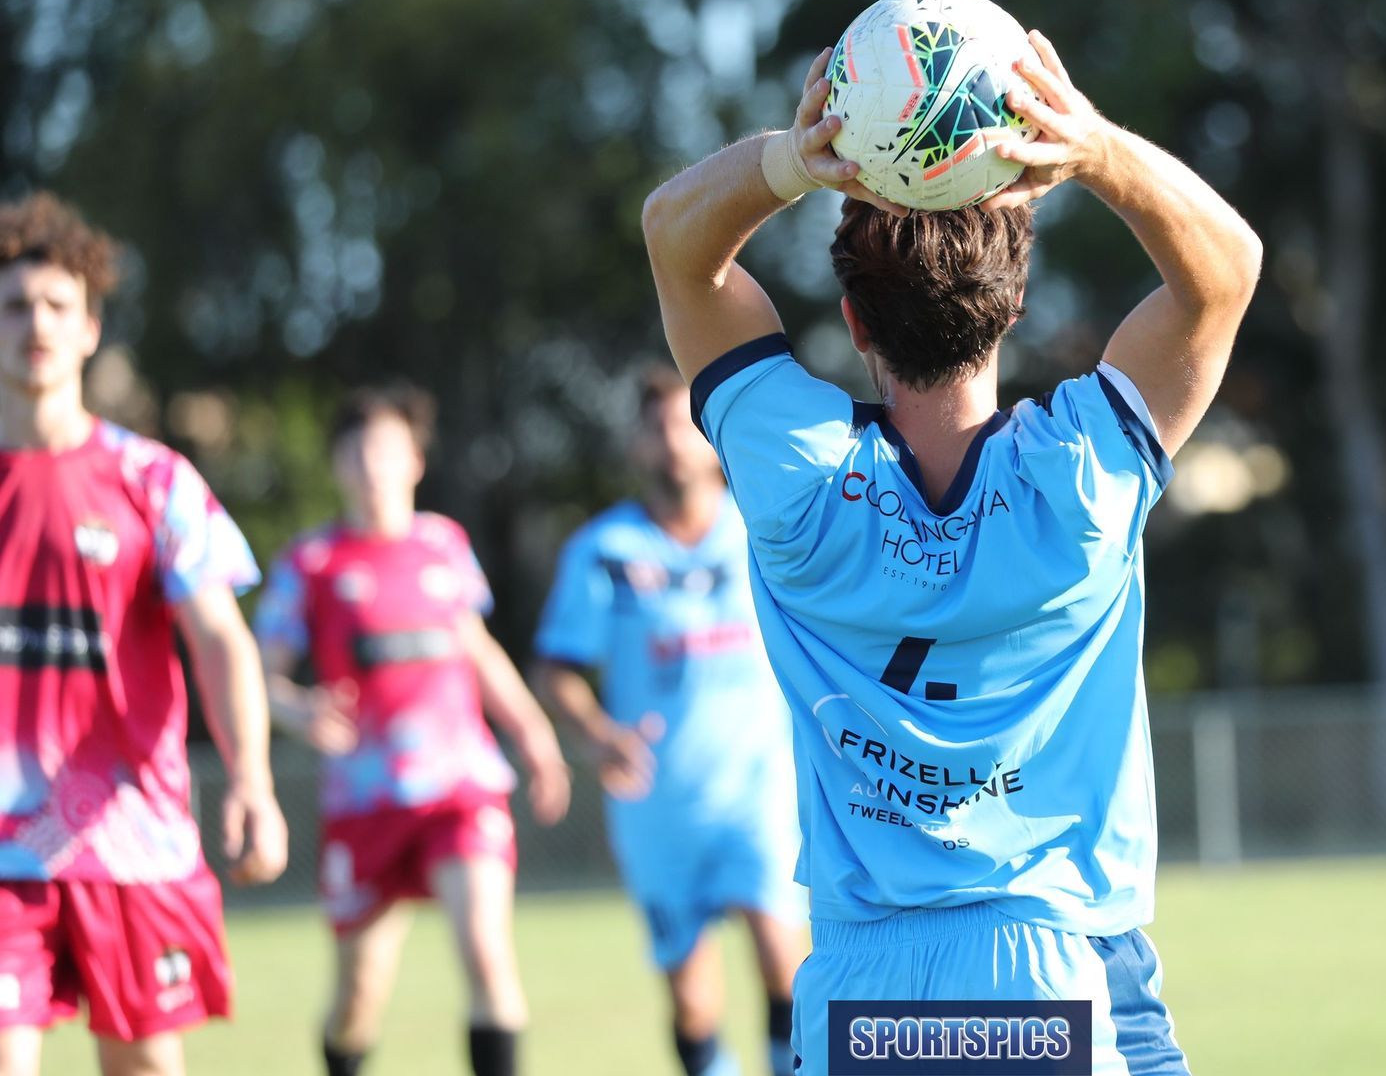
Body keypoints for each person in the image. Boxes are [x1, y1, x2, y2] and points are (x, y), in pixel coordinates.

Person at [641, 25, 1261, 1072]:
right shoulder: (1077, 481)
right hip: (1053, 964)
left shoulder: (795, 474)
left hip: (849, 993)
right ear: (1014, 303)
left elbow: (674, 236)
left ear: (854, 319)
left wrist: (795, 160)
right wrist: (1093, 148)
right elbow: (1225, 270)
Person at [0, 192, 288, 1076]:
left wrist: (251, 782)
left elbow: (220, 640)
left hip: (127, 835)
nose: (36, 325)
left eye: (57, 306)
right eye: (14, 306)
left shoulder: (152, 479)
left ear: (90, 330)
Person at [252, 384, 570, 1076]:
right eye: (357, 450)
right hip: (365, 802)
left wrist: (534, 734)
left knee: (486, 953)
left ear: (415, 462)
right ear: (337, 464)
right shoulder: (309, 563)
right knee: (357, 997)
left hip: (461, 789)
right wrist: (298, 710)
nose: (372, 464)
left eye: (387, 449)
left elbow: (477, 649)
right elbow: (257, 679)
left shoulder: (443, 545)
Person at [535, 366, 806, 1076]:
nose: (673, 443)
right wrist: (599, 735)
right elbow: (556, 670)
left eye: (686, 426)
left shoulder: (765, 527)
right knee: (693, 1002)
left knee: (787, 962)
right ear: (636, 446)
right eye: (655, 427)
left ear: (713, 439)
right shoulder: (605, 550)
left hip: (760, 793)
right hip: (660, 807)